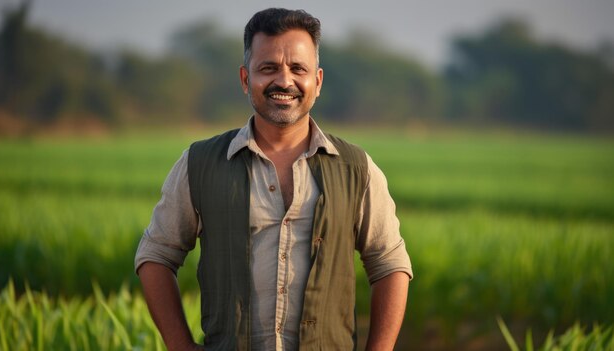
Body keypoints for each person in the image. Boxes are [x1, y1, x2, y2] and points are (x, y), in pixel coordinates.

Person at [135, 8, 413, 351]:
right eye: (268, 68)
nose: (284, 81)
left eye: (298, 69)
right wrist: (180, 345)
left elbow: (390, 264)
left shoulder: (356, 168)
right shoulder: (200, 163)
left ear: (318, 81)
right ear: (245, 79)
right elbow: (156, 255)